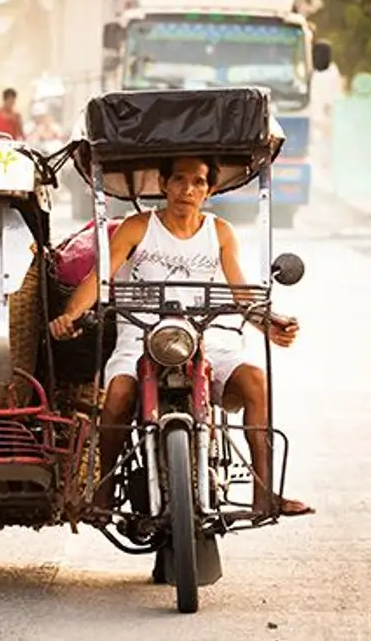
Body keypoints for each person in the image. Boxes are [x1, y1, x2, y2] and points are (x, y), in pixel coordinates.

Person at [48, 156, 313, 520]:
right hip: (140, 339)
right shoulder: (136, 228)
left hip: (209, 339)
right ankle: (103, 493)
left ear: (210, 190)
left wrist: (270, 322)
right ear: (163, 183)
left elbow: (240, 293)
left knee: (255, 380)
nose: (188, 190)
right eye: (179, 179)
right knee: (119, 394)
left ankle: (264, 494)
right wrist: (70, 315)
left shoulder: (220, 232)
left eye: (199, 182)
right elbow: (98, 279)